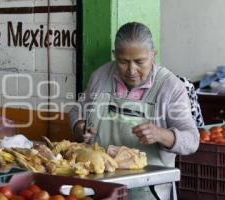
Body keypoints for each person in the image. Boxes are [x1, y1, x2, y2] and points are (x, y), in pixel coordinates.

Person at [69, 22, 199, 200]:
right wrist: (78, 126)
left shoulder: (170, 87)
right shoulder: (99, 76)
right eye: (123, 62)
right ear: (115, 55)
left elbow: (192, 139)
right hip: (100, 188)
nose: (131, 70)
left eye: (139, 62)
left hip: (147, 191)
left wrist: (161, 135)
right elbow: (78, 109)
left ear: (153, 55)